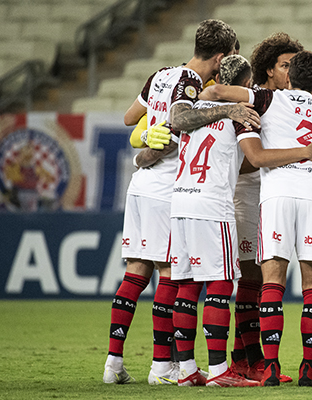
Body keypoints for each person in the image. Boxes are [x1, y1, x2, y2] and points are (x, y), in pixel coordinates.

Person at [103, 19, 259, 386]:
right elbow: (179, 119)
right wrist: (224, 111)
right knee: (174, 277)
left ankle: (115, 362)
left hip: (142, 185)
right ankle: (163, 366)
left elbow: (130, 119)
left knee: (137, 272)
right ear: (222, 56)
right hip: (170, 188)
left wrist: (144, 138)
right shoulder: (192, 85)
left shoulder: (161, 74)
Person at [168, 54, 312, 387]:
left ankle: (261, 365)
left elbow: (207, 101)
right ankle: (305, 368)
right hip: (311, 195)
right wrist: (308, 153)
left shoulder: (268, 100)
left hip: (208, 196)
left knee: (266, 280)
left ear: (287, 78)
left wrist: (201, 99)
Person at [229, 32, 304, 384]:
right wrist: (287, 158)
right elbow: (240, 162)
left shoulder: (292, 104)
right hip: (246, 195)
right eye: (284, 65)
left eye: (293, 65)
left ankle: (240, 357)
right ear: (268, 70)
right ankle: (249, 358)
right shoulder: (256, 103)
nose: (290, 71)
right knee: (251, 278)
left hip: (272, 197)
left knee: (260, 280)